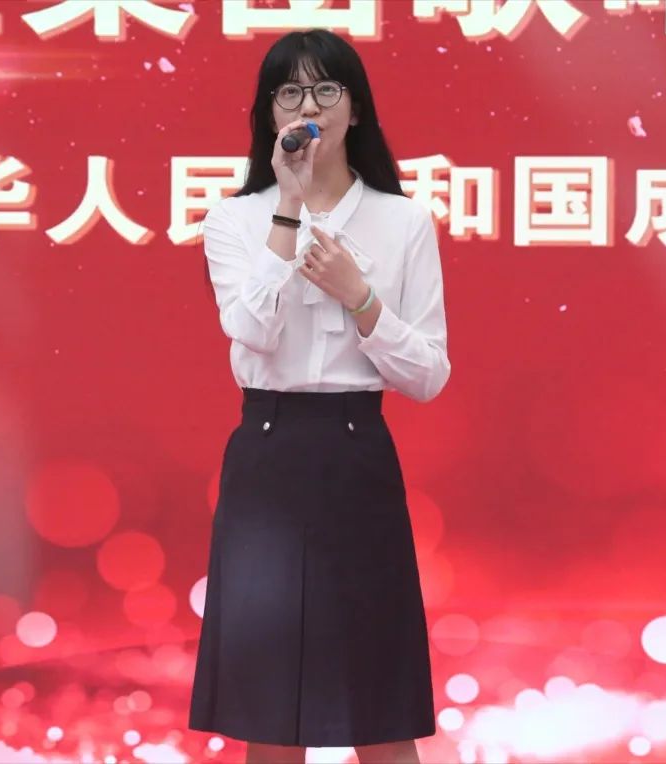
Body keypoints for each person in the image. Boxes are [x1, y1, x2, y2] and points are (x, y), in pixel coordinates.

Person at [188, 28, 451, 764]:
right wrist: (287, 209)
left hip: (356, 451)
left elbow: (428, 374)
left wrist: (359, 298)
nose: (309, 107)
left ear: (355, 108)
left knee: (378, 703)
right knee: (269, 710)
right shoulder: (234, 218)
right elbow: (250, 332)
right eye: (290, 93)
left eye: (326, 89)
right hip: (267, 459)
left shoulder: (403, 220)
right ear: (270, 116)